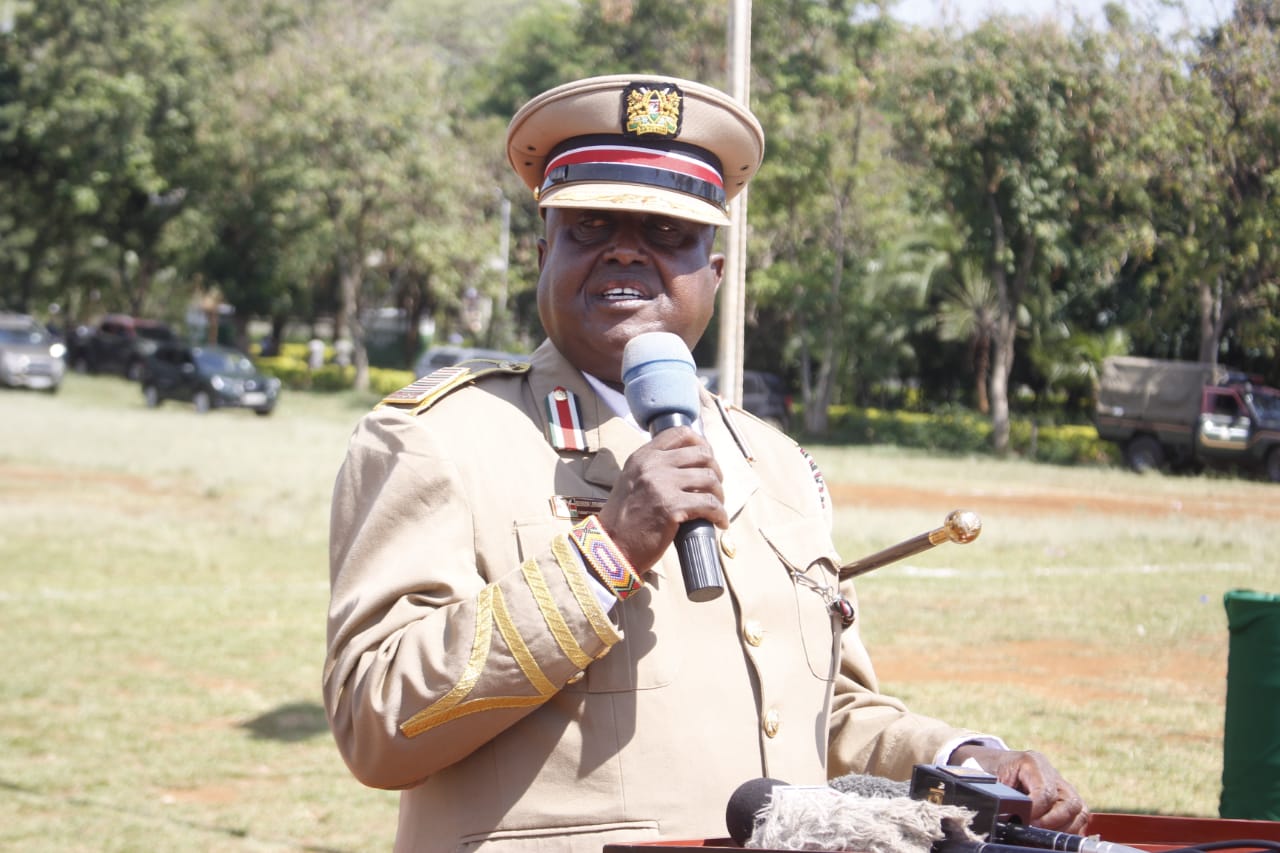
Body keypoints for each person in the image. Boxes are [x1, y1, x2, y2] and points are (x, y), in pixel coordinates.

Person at [322, 73, 1089, 852]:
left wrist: (965, 757)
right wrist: (605, 553)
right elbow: (375, 720)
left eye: (667, 231)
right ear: (544, 254)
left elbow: (826, 716)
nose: (627, 249)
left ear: (713, 274)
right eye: (591, 224)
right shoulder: (439, 439)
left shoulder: (777, 464)